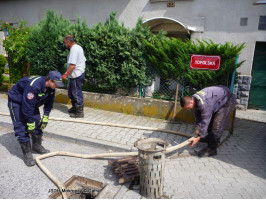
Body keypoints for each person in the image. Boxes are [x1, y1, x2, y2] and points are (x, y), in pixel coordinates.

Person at [8, 71, 64, 167]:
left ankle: (36, 146)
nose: (57, 86)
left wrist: (45, 117)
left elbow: (49, 103)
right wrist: (30, 122)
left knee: (38, 123)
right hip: (16, 101)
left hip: (30, 102)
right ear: (50, 80)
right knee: (21, 126)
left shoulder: (51, 88)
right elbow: (27, 106)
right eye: (56, 83)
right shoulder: (34, 86)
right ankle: (27, 154)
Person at [180, 85, 236, 157]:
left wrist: (198, 137)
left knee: (216, 126)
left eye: (187, 107)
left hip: (227, 101)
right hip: (217, 100)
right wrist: (197, 128)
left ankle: (212, 149)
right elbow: (198, 116)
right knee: (211, 124)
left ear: (191, 102)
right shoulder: (195, 99)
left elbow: (205, 121)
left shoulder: (204, 103)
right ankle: (210, 138)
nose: (188, 109)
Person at [62, 35, 86, 118]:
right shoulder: (78, 47)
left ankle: (79, 112)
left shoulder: (74, 49)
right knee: (72, 92)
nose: (64, 44)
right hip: (77, 73)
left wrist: (65, 74)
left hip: (76, 74)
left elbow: (72, 65)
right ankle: (75, 108)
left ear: (68, 42)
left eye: (65, 42)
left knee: (76, 93)